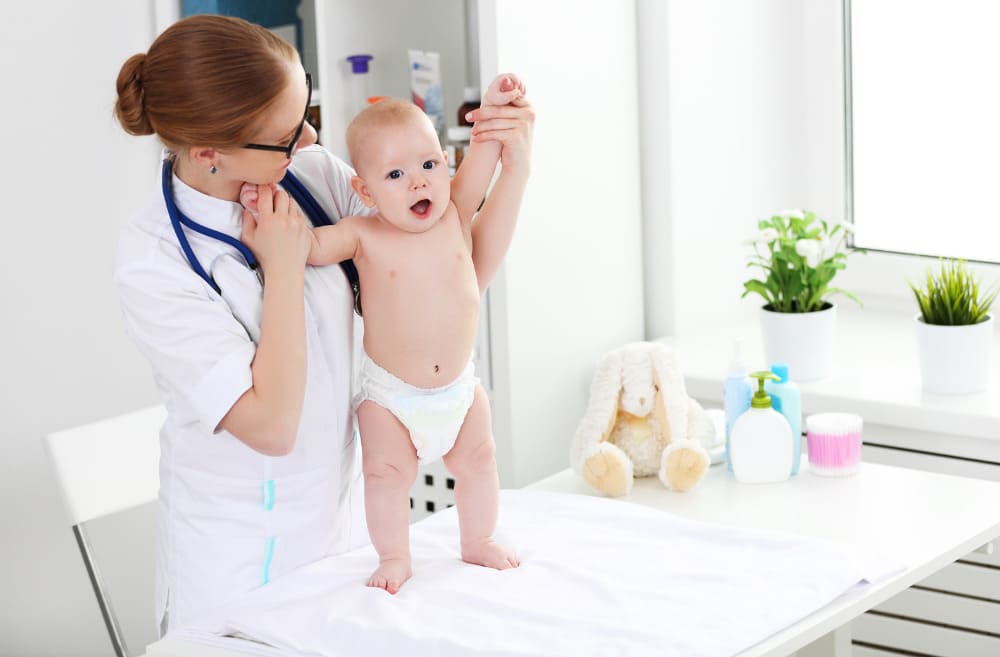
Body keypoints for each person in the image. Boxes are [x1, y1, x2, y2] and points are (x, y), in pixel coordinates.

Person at [112, 14, 533, 635]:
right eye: (285, 136)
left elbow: (444, 275)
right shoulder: (155, 262)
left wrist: (513, 167)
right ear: (208, 154)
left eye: (304, 112)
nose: (308, 138)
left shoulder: (313, 176)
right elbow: (271, 426)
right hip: (243, 572)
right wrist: (283, 270)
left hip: (350, 537)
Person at [240, 79, 529, 595]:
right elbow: (307, 247)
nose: (418, 183)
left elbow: (486, 151)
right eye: (395, 174)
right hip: (392, 400)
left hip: (460, 390)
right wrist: (267, 209)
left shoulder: (456, 210)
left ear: (446, 163)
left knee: (480, 461)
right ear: (366, 191)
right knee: (385, 477)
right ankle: (395, 556)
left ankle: (478, 538)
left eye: (428, 165)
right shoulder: (363, 234)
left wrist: (497, 107)